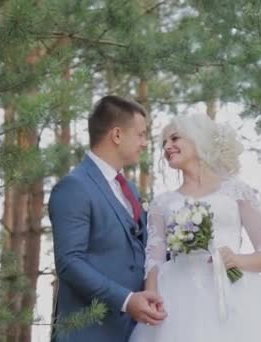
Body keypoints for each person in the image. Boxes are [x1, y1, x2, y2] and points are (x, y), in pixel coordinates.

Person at [129, 113, 261, 342]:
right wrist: (151, 295)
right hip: (177, 300)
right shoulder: (161, 203)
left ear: (197, 139)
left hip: (234, 294)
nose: (167, 146)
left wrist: (237, 260)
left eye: (174, 138)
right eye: (164, 143)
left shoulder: (236, 191)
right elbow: (154, 260)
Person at [49, 95, 167, 342]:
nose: (145, 143)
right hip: (89, 333)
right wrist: (126, 300)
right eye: (141, 134)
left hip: (134, 332)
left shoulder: (131, 190)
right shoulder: (74, 187)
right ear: (116, 135)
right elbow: (70, 263)